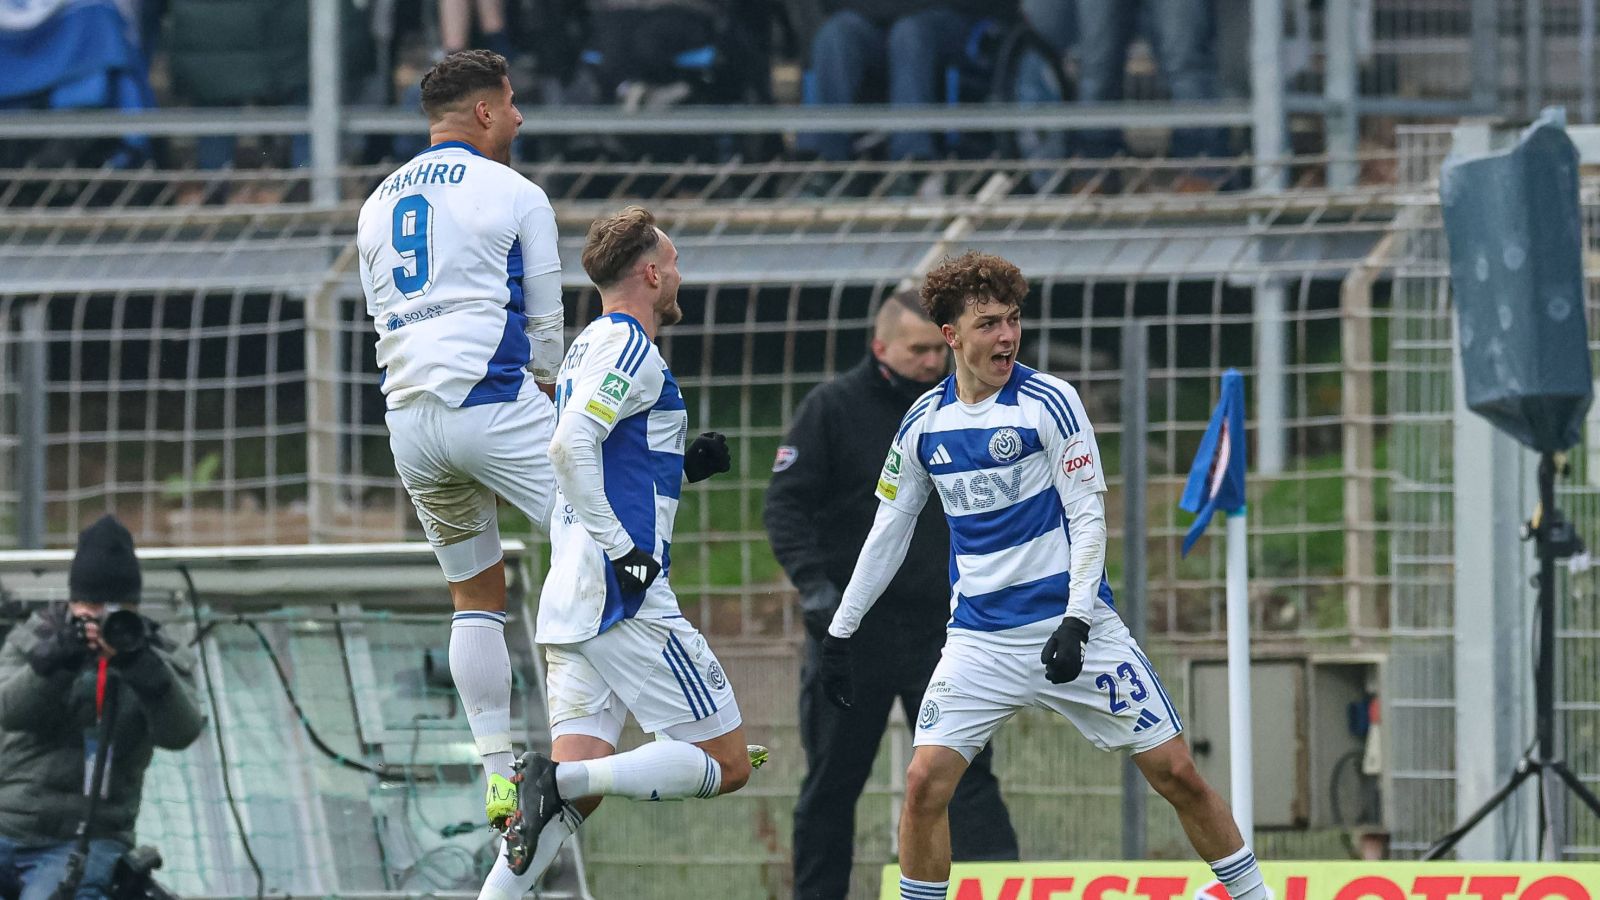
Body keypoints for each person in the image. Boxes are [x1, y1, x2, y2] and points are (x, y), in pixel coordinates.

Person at [821, 252, 1269, 900]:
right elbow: (888, 531)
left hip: (1073, 627)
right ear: (952, 336)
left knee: (1176, 773)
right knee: (923, 783)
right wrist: (841, 633)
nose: (1007, 336)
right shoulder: (924, 423)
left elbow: (1088, 518)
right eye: (989, 324)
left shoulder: (1049, 402)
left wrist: (1077, 619)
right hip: (980, 641)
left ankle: (1255, 895)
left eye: (1014, 320)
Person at [476, 206, 752, 895]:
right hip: (619, 595)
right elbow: (568, 448)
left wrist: (682, 467)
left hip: (571, 592)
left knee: (561, 812)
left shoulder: (590, 345)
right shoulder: (629, 345)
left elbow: (604, 457)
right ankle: (556, 774)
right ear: (651, 272)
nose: (680, 274)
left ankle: (537, 817)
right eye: (676, 261)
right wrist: (626, 552)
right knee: (725, 760)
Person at [356, 50, 565, 834]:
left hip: (409, 422)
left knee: (475, 596)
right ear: (484, 111)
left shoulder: (378, 202)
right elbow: (545, 323)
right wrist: (546, 393)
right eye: (512, 104)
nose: (518, 118)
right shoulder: (515, 193)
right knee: (612, 543)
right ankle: (667, 721)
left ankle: (496, 769)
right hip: (495, 401)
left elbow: (384, 312)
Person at [765, 291, 1018, 900]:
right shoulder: (832, 408)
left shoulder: (966, 406)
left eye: (941, 347)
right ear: (881, 348)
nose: (934, 360)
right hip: (856, 632)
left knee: (966, 776)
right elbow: (784, 506)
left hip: (946, 627)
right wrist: (817, 587)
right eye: (920, 350)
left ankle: (997, 886)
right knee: (833, 781)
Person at [0, 515, 204, 900]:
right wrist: (59, 660)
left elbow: (182, 733)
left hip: (87, 839)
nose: (100, 618)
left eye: (114, 608)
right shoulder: (38, 637)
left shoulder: (155, 654)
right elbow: (8, 711)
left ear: (133, 608)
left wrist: (141, 667)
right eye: (90, 606)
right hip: (8, 823)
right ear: (73, 601)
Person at [795, 0, 1019, 170]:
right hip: (878, 20)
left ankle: (912, 163)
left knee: (910, 33)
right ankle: (825, 163)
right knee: (836, 33)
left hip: (956, 19)